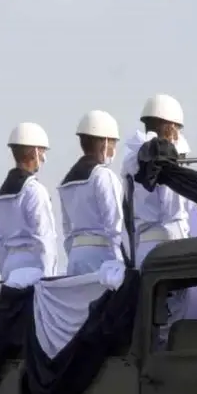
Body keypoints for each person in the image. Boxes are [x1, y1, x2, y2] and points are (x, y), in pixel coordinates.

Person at [123, 94, 192, 267]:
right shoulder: (166, 160)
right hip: (169, 245)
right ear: (172, 127)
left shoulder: (131, 160)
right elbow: (172, 208)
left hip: (142, 248)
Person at [59, 110, 124, 275]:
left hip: (76, 257)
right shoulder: (104, 176)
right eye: (113, 143)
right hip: (102, 259)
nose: (114, 149)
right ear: (105, 142)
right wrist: (121, 263)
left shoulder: (66, 182)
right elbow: (115, 225)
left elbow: (66, 231)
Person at [0, 121, 58, 280]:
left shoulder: (0, 195)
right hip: (32, 267)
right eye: (42, 152)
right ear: (34, 152)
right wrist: (49, 279)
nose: (43, 159)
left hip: (9, 267)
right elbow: (44, 239)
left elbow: (0, 244)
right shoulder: (34, 191)